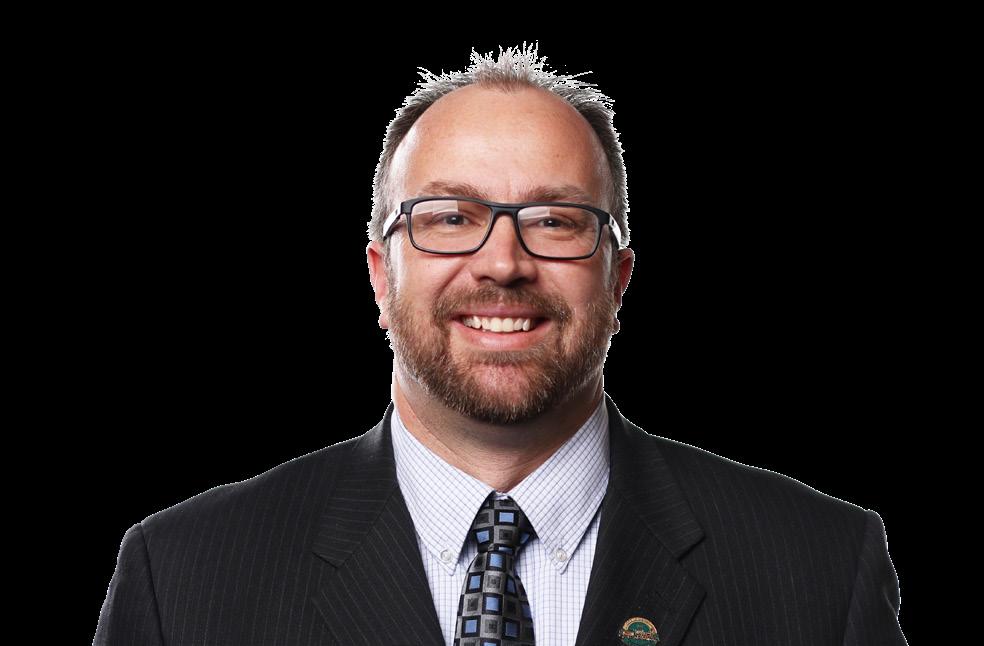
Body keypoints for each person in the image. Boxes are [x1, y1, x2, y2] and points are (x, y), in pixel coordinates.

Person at [94, 42, 906, 646]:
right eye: (451, 217)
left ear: (618, 280)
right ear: (380, 276)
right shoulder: (185, 577)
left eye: (555, 220)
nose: (503, 263)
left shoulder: (819, 569)